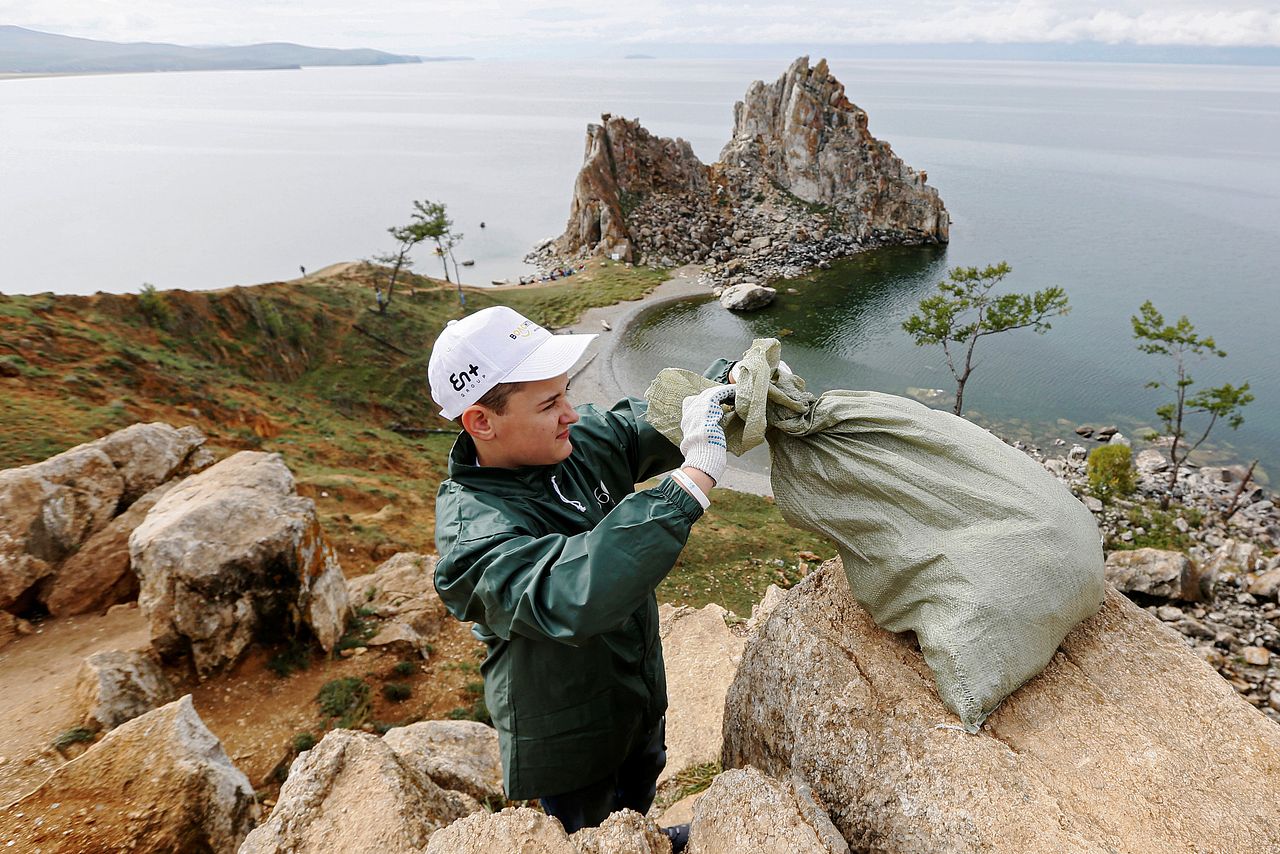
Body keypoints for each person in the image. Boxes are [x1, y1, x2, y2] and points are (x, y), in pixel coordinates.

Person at [429, 306, 734, 850]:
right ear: (482, 421)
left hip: (631, 691)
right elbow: (567, 593)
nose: (571, 412)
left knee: (639, 794)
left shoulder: (568, 444)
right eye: (549, 403)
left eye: (565, 392)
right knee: (591, 833)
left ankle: (646, 837)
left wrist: (722, 388)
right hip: (570, 736)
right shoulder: (472, 533)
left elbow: (639, 426)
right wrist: (686, 486)